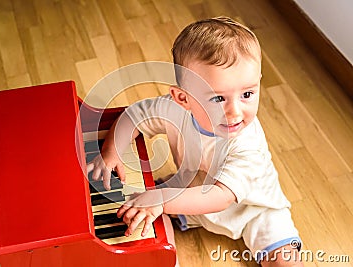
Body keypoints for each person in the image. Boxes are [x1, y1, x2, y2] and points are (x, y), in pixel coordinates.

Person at [87, 17, 303, 266]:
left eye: (247, 94)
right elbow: (134, 116)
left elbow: (220, 196)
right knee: (136, 212)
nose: (234, 111)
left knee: (284, 259)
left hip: (253, 211)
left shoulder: (247, 144)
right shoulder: (173, 110)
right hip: (192, 193)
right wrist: (110, 153)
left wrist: (163, 199)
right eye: (218, 99)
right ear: (183, 98)